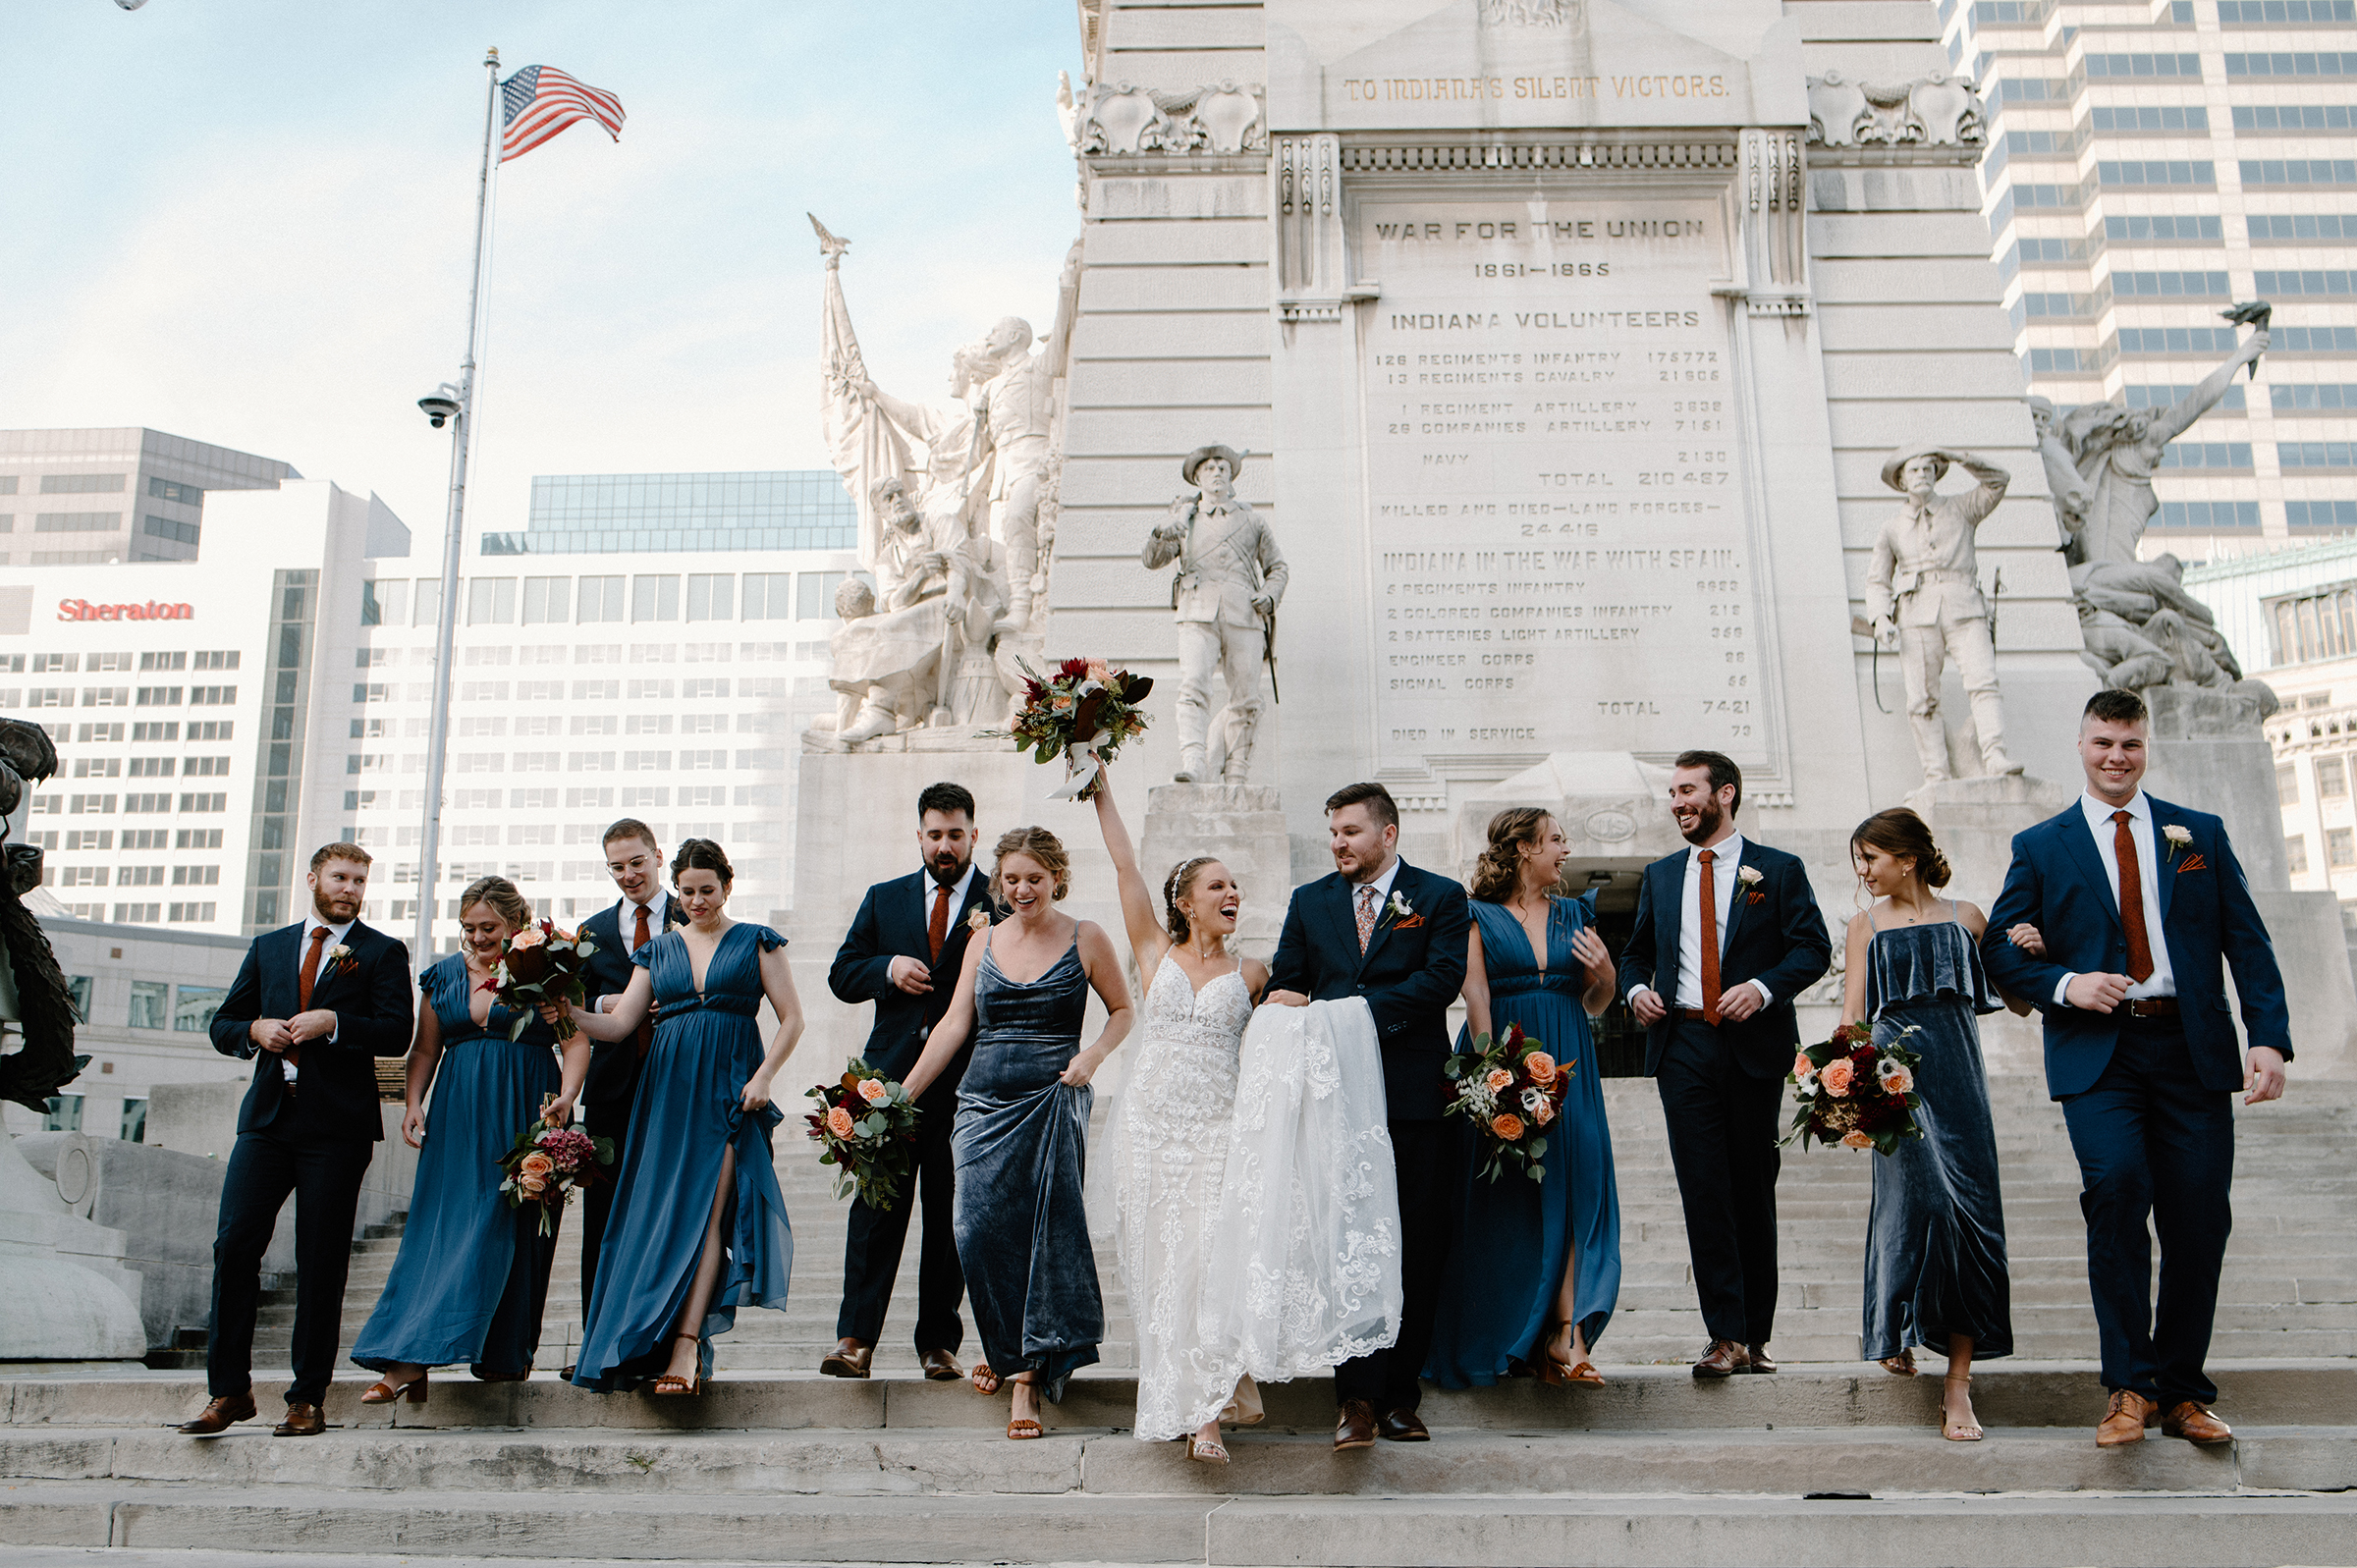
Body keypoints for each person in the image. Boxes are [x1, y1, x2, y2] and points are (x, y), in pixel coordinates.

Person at [1983, 688, 2290, 1448]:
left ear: (2143, 746)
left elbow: (2246, 942)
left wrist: (2269, 1037)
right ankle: (2128, 1388)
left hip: (2190, 1050)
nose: (2116, 756)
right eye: (2102, 743)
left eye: (2129, 743)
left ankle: (2183, 1392)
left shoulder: (2200, 835)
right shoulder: (2042, 845)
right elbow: (1996, 951)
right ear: (2080, 745)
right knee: (2117, 1192)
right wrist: (2064, 983)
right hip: (2101, 1052)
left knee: (2197, 1218)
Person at [900, 826, 1134, 1440]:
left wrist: (1093, 1058)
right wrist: (903, 1096)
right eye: (1011, 879)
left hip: (1053, 1098)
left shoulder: (1087, 937)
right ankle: (1007, 1346)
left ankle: (1025, 1375)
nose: (1023, 888)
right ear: (998, 883)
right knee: (971, 1231)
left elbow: (1124, 1009)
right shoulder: (983, 938)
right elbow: (954, 1024)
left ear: (1056, 876)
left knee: (1045, 1234)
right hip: (980, 1100)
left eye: (1034, 877)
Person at [180, 844, 414, 1439]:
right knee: (233, 1248)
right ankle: (228, 1392)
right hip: (266, 1120)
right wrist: (254, 1030)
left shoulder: (383, 952)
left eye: (360, 880)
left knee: (321, 1262)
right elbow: (222, 1024)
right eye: (340, 877)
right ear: (313, 879)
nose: (351, 889)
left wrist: (334, 1024)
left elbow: (396, 1032)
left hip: (335, 1129)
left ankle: (306, 1397)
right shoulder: (270, 946)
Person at [1266, 781, 1472, 1450]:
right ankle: (1353, 1397)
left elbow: (1441, 979)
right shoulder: (1310, 901)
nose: (1337, 844)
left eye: (1349, 831)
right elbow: (1287, 982)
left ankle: (1399, 1396)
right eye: (1332, 832)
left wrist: (1353, 1017)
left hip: (1414, 1097)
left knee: (1415, 1243)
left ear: (1388, 833)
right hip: (1334, 1105)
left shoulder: (1440, 896)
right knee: (1345, 1244)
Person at [1616, 751, 1832, 1380]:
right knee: (1704, 1189)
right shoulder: (1659, 876)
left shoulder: (1780, 870)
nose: (1678, 803)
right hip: (1682, 1046)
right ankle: (1724, 1335)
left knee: (1750, 1188)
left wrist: (1762, 988)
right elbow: (1635, 958)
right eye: (1673, 794)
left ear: (1725, 794)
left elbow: (1813, 949)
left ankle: (1755, 1336)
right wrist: (1635, 992)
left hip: (1752, 1047)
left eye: (1689, 791)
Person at [560, 839, 803, 1394]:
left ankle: (687, 1349)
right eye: (687, 891)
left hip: (728, 1092)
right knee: (657, 1218)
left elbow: (792, 1020)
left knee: (711, 1219)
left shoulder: (756, 941)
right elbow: (618, 1026)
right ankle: (644, 1339)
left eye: (707, 891)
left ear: (727, 885)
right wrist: (565, 1010)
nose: (697, 901)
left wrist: (763, 1076)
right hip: (665, 1097)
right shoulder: (658, 950)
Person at [350, 877, 589, 1397]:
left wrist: (567, 1097)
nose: (478, 938)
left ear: (515, 926)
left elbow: (575, 1044)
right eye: (469, 928)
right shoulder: (441, 978)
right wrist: (413, 1103)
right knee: (444, 1228)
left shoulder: (547, 973)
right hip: (457, 1112)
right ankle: (411, 1353)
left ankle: (504, 1354)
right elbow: (422, 1051)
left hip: (525, 1109)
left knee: (516, 1227)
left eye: (489, 928)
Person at [1090, 763, 1267, 1463]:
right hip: (1150, 1132)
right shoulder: (1151, 951)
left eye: (1234, 884)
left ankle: (1208, 1416)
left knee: (1206, 1264)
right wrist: (1100, 781)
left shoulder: (1254, 972)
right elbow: (1124, 862)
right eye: (1217, 884)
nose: (1232, 893)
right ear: (1187, 902)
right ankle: (1181, 1398)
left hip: (1216, 1132)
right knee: (1161, 1270)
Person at [1427, 808, 1621, 1390]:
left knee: (1579, 1185)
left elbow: (1595, 1002)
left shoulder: (1576, 913)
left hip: (1571, 1061)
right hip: (1504, 1055)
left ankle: (1569, 1334)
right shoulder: (1475, 915)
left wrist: (1608, 973)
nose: (1565, 849)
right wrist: (1494, 1079)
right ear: (1523, 849)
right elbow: (1476, 995)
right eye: (1555, 840)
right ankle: (1514, 1334)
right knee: (1509, 1198)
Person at [1839, 810, 2013, 1442]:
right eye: (1858, 861)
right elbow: (1855, 1017)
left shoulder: (1967, 917)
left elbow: (2015, 997)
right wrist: (1843, 1090)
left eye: (1871, 859)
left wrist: (2032, 949)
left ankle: (1959, 1384)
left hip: (1960, 1082)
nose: (1863, 872)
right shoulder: (1865, 925)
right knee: (1914, 1205)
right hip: (1896, 1082)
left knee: (1972, 1218)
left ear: (1906, 858)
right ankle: (1895, 1324)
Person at [822, 781, 995, 1382]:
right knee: (874, 1212)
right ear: (919, 835)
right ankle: (854, 1340)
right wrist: (886, 968)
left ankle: (939, 1344)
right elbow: (841, 974)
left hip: (967, 1085)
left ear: (975, 834)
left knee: (950, 1216)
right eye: (934, 834)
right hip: (887, 1084)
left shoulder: (1001, 901)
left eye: (956, 834)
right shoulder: (884, 898)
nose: (945, 845)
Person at [573, 822, 684, 1333]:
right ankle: (596, 1337)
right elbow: (573, 1005)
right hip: (612, 1089)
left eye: (636, 862)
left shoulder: (694, 912)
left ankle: (661, 1340)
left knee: (668, 1213)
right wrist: (603, 1003)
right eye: (617, 867)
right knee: (602, 1217)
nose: (628, 875)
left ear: (657, 857)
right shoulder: (591, 932)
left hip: (678, 1081)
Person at [1141, 445, 1288, 784]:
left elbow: (1277, 567)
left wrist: (1269, 594)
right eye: (1209, 468)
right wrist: (1162, 529)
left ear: (1232, 476)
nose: (1217, 472)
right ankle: (1194, 761)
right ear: (1197, 478)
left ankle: (1237, 771)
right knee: (1193, 686)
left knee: (1246, 698)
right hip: (1196, 610)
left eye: (1223, 467)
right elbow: (1152, 560)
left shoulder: (1252, 520)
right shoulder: (1184, 519)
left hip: (1245, 614)